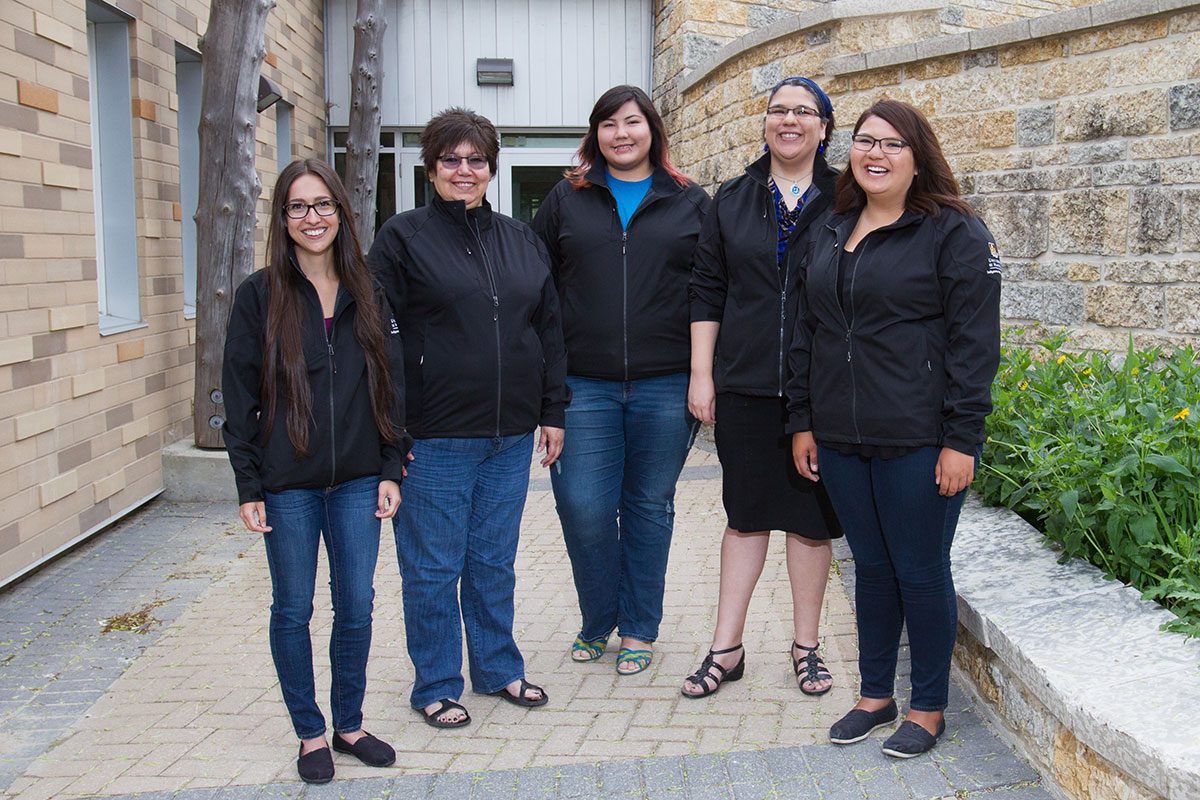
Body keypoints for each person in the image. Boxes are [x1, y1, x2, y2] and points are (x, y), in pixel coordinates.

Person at [788, 99, 1002, 757]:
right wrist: (803, 422)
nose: (874, 154)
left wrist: (962, 438)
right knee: (872, 566)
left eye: (891, 144)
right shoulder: (830, 228)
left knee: (919, 568)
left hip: (919, 441)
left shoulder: (954, 233)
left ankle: (929, 707)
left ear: (918, 157)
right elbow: (805, 333)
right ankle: (875, 696)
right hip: (843, 438)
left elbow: (975, 344)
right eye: (864, 141)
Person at [367, 108, 569, 728]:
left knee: (492, 561)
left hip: (509, 435)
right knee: (432, 568)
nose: (464, 170)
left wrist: (552, 409)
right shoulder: (402, 239)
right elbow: (382, 341)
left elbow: (548, 328)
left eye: (475, 159)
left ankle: (498, 668)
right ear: (430, 169)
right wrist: (393, 430)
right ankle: (435, 682)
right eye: (450, 159)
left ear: (491, 167)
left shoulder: (521, 237)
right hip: (434, 436)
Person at [222, 159, 408, 784]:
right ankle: (309, 732)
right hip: (288, 485)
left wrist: (390, 467)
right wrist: (250, 484)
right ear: (282, 218)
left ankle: (348, 723)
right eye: (298, 207)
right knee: (293, 609)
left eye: (323, 205)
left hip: (358, 478)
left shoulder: (369, 289)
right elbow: (239, 393)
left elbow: (391, 386)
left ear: (341, 213)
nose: (312, 218)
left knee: (356, 605)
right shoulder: (258, 296)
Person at [530, 85, 709, 675]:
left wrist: (704, 376)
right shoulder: (566, 198)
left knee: (648, 507)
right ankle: (596, 617)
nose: (621, 133)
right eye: (608, 124)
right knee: (582, 505)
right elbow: (537, 290)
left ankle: (637, 627)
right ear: (595, 134)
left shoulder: (689, 201)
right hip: (584, 386)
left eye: (632, 122)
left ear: (653, 129)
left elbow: (713, 291)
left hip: (665, 385)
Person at [683, 76, 844, 698]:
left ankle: (807, 648)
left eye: (804, 111)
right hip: (746, 385)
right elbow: (706, 288)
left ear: (824, 127)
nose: (789, 120)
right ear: (766, 123)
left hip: (822, 390)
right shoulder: (732, 198)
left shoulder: (846, 197)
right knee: (745, 517)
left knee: (811, 523)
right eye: (778, 110)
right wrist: (703, 374)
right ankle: (727, 649)